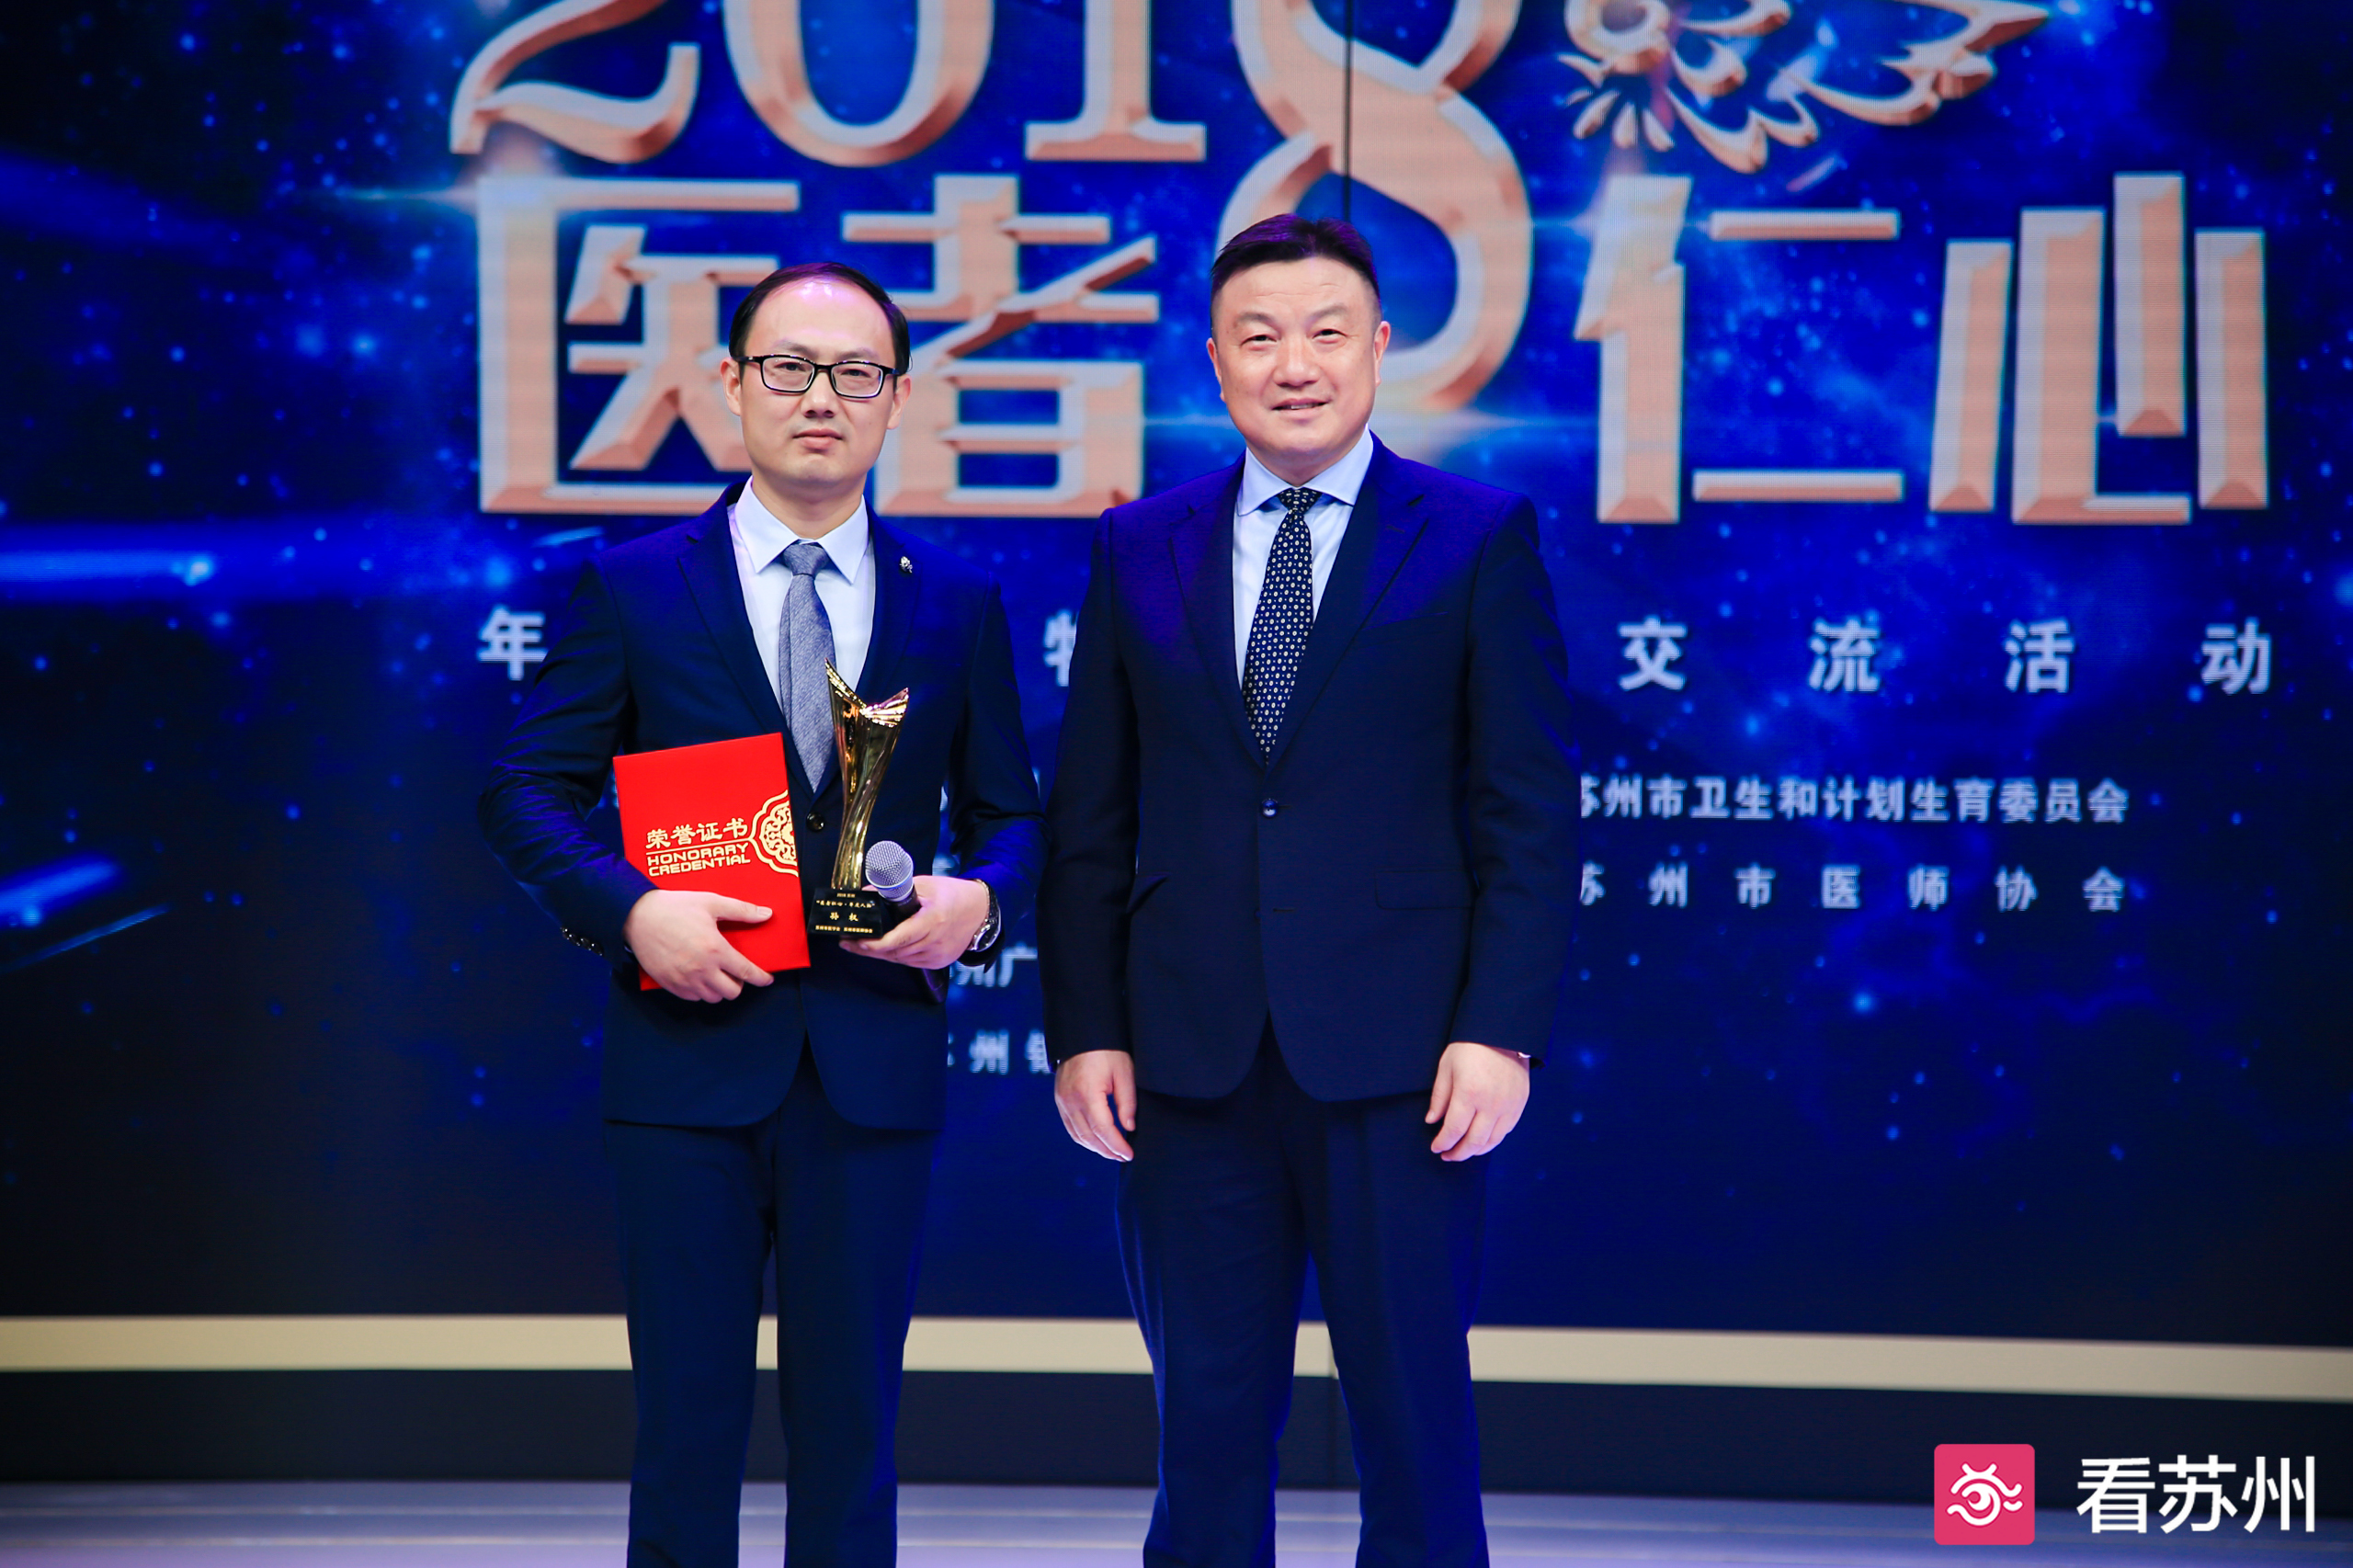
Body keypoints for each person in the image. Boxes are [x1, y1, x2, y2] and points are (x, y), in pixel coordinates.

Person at [479, 261, 1044, 1568]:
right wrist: (633, 912)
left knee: (853, 1433)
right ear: (730, 384)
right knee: (686, 1430)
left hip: (871, 1065)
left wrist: (977, 904)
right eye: (789, 368)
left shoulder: (955, 599)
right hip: (685, 1067)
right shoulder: (635, 584)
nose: (820, 398)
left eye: (856, 374)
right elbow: (521, 789)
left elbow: (1014, 820)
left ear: (898, 398)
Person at [1038, 215, 1576, 1568]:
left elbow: (1526, 810)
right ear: (1215, 360)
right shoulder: (1137, 546)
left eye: (1328, 333)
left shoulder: (1475, 536)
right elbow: (1091, 818)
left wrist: (1500, 1030)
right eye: (1260, 337)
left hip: (1405, 1063)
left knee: (1415, 1418)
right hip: (1189, 1059)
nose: (1296, 364)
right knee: (1207, 1426)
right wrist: (1087, 1029)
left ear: (1380, 347)